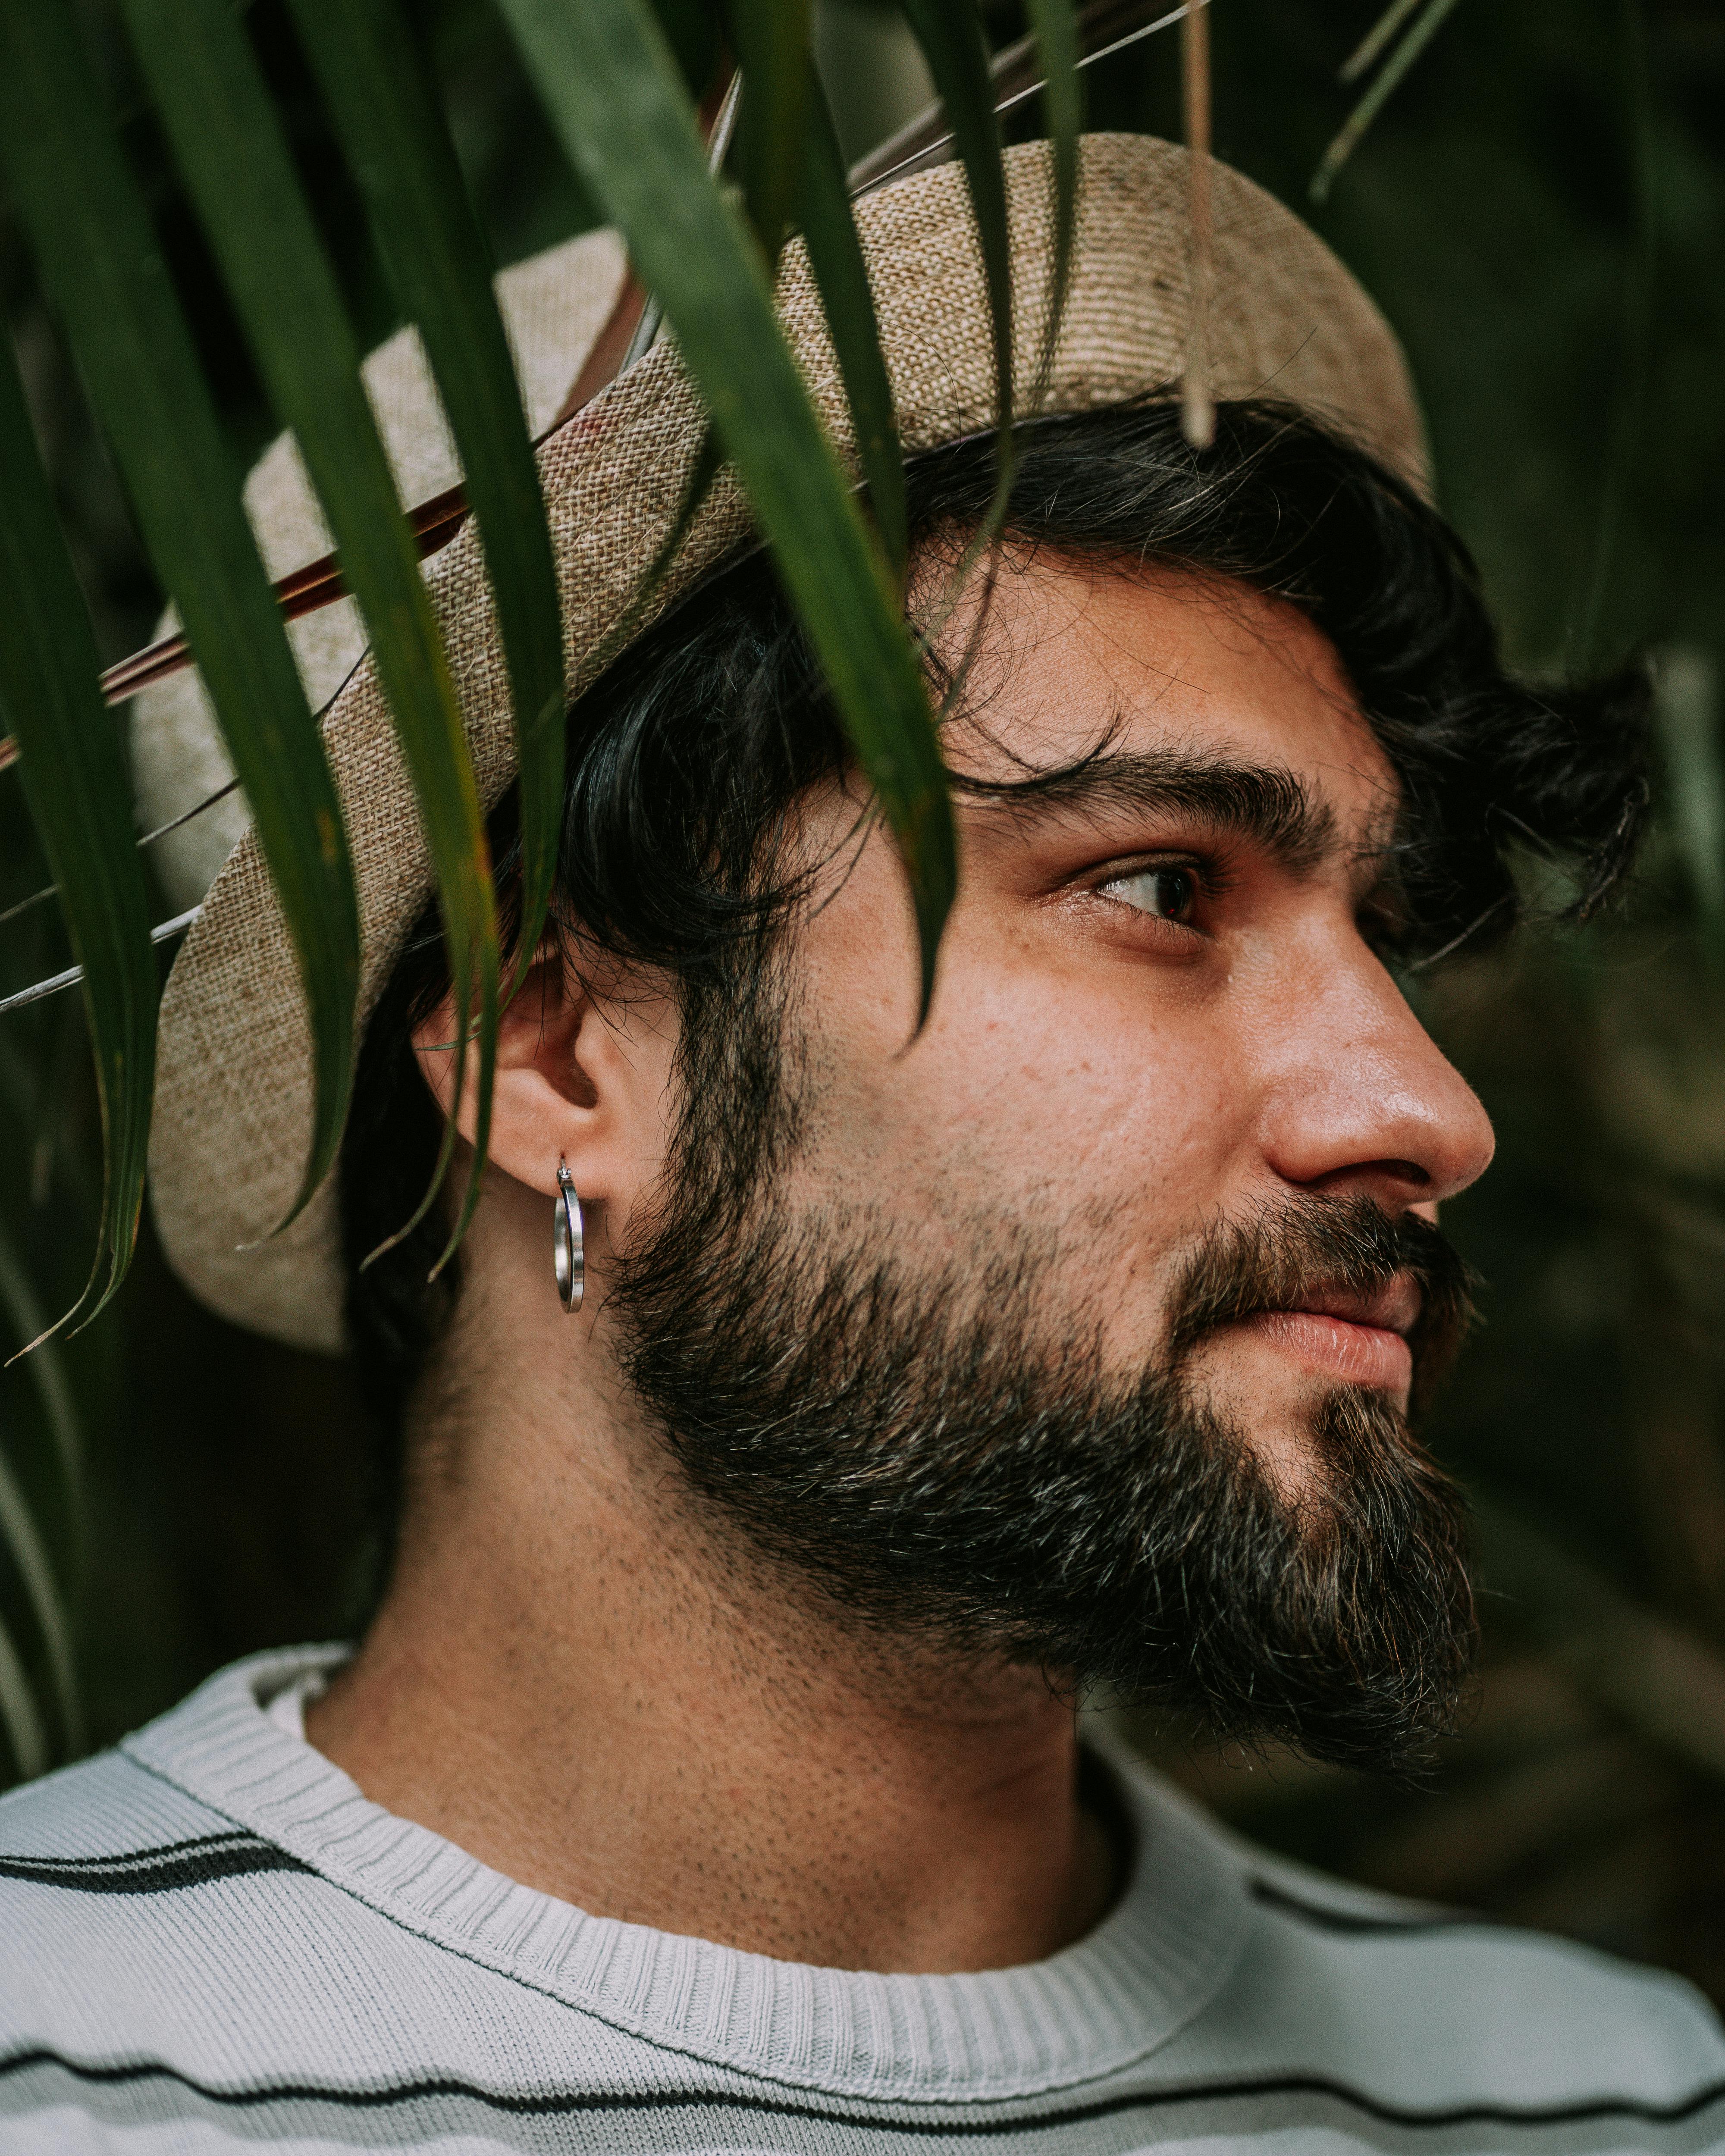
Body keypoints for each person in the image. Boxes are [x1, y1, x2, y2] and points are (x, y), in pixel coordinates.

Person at [3, 135, 1721, 2153]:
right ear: (557, 1055)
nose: (1428, 1109)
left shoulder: (1606, 2105)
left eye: (1373, 922)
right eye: (1164, 888)